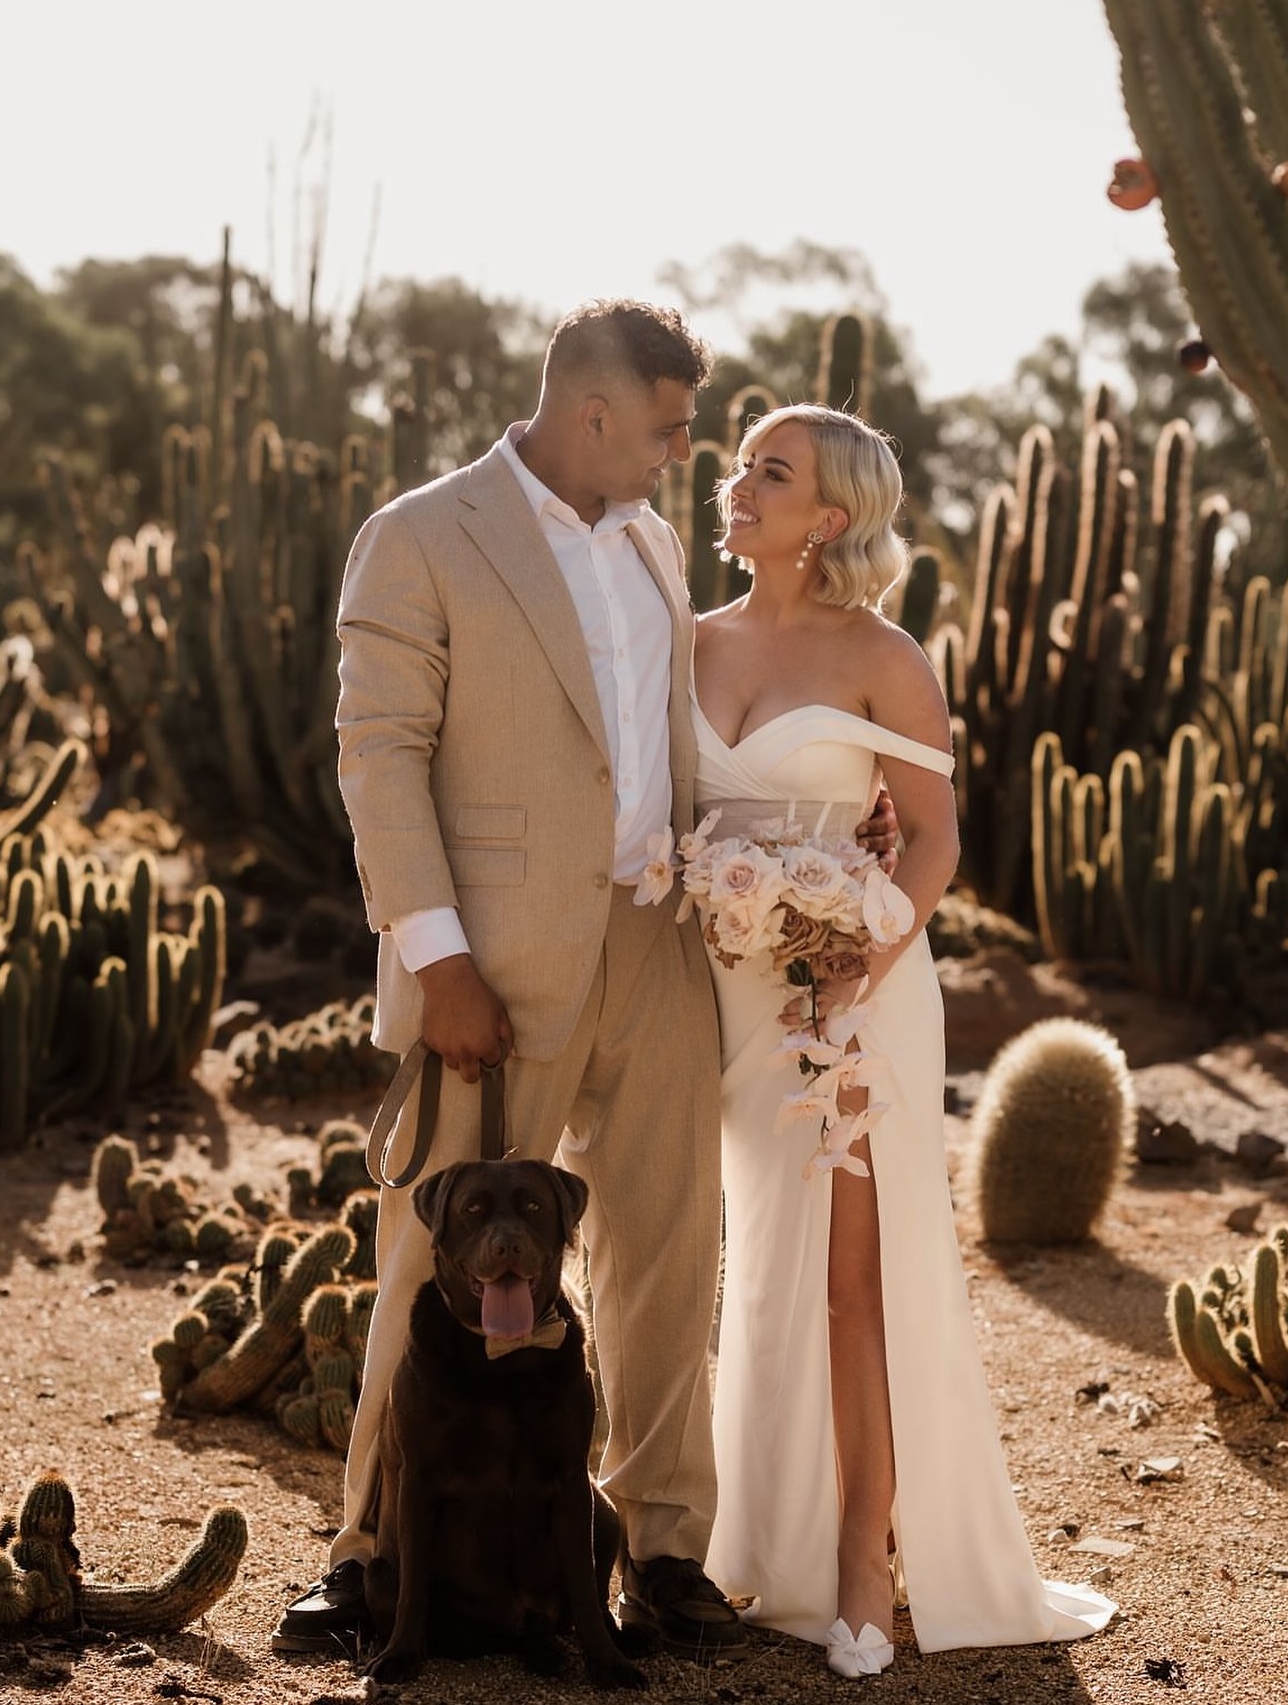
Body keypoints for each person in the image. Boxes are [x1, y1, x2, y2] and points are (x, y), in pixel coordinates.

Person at [275, 300, 746, 1662]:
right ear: (593, 412)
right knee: (432, 1253)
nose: (677, 458)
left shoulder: (652, 544)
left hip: (656, 943)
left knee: (668, 1251)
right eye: (665, 430)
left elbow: (663, 745)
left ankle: (661, 1549)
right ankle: (369, 1552)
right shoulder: (421, 534)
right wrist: (440, 963)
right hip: (491, 964)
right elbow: (381, 756)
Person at [691, 404, 1118, 1678]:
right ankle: (732, 1539)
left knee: (852, 1278)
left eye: (772, 472)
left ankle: (865, 1563)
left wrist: (857, 957)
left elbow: (930, 836)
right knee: (745, 1260)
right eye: (740, 465)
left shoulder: (886, 654)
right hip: (709, 990)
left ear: (830, 516)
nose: (738, 485)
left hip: (851, 995)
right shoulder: (680, 639)